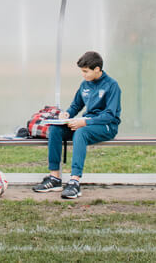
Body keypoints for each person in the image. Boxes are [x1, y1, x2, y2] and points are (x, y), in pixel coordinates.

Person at [31, 50, 121, 200]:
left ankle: (74, 182)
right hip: (86, 124)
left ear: (97, 69)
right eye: (82, 71)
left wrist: (84, 121)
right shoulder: (84, 84)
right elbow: (75, 106)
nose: (83, 74)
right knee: (55, 129)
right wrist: (66, 114)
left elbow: (109, 115)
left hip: (107, 127)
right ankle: (55, 178)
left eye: (86, 71)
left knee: (81, 132)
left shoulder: (112, 86)